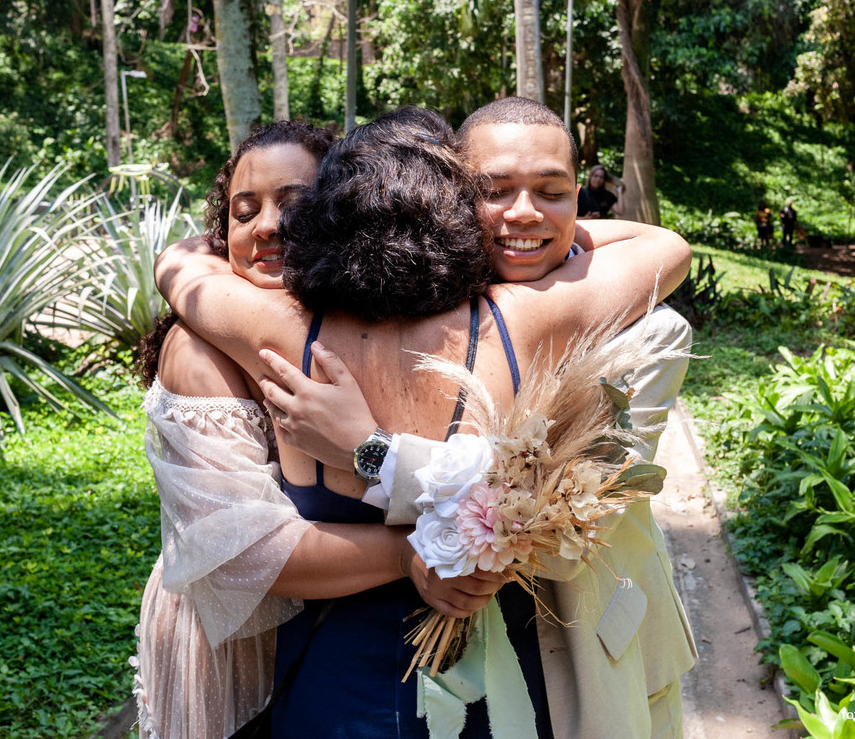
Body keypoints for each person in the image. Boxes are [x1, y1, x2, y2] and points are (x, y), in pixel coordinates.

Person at [155, 106, 692, 737]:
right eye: (491, 196)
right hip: (496, 685)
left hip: (335, 689)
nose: (516, 213)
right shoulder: (524, 322)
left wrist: (210, 243)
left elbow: (178, 270)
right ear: (460, 214)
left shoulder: (276, 331)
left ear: (329, 215)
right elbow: (665, 248)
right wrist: (551, 217)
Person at [131, 120, 506, 739]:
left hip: (330, 639)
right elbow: (247, 553)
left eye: (295, 203)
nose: (268, 226)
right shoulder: (201, 349)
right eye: (243, 212)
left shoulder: (365, 320)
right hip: (236, 642)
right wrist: (424, 552)